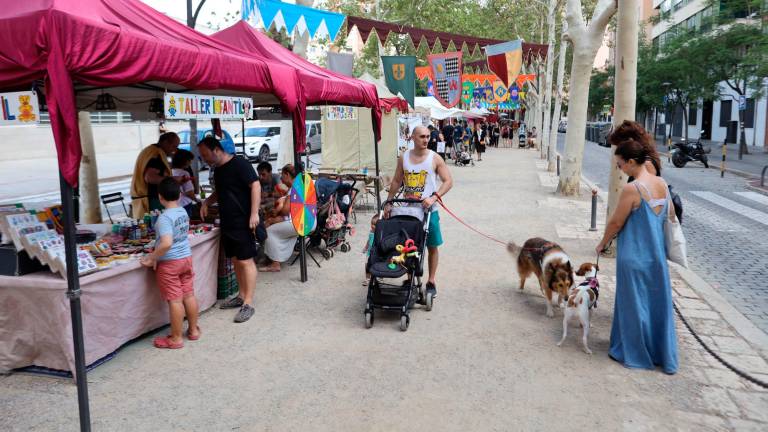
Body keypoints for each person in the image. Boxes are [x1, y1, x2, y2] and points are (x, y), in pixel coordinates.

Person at [595, 120, 678, 375]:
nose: (619, 168)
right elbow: (670, 216)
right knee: (655, 304)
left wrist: (602, 243)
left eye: (620, 163)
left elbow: (617, 221)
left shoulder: (633, 188)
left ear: (631, 160)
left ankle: (633, 350)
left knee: (633, 305)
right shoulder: (662, 184)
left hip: (633, 253)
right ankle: (659, 352)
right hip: (656, 255)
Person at [385, 125, 453, 299]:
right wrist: (388, 202)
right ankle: (410, 278)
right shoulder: (404, 157)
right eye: (422, 136)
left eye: (428, 136)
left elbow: (448, 181)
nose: (426, 140)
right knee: (408, 246)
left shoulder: (435, 158)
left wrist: (434, 197)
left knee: (432, 246)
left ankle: (431, 281)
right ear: (413, 138)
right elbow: (396, 180)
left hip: (429, 211)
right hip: (408, 211)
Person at [198, 137, 261, 323]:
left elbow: (255, 185)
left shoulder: (240, 163)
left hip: (244, 221)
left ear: (216, 149)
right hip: (227, 222)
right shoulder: (218, 170)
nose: (204, 159)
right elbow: (220, 191)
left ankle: (248, 303)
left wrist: (254, 213)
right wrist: (207, 202)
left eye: (205, 155)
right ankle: (241, 295)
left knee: (246, 261)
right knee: (235, 260)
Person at [140, 178, 199, 349]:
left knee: (175, 300)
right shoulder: (182, 212)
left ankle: (176, 338)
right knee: (188, 294)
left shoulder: (164, 218)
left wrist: (152, 257)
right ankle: (193, 330)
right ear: (180, 195)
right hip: (186, 259)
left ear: (160, 197)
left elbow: (166, 243)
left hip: (170, 263)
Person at [259, 165, 299, 272]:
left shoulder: (294, 187)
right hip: (301, 222)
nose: (281, 178)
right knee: (269, 223)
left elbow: (286, 210)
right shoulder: (298, 186)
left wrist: (275, 213)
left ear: (287, 174)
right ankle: (271, 257)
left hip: (295, 223)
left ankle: (275, 264)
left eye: (282, 175)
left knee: (268, 230)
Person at [130, 132, 180, 218]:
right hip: (151, 201)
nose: (175, 150)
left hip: (144, 200)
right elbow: (150, 177)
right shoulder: (156, 154)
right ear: (165, 143)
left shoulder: (149, 150)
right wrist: (172, 180)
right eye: (174, 146)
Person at [171, 149, 199, 219]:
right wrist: (196, 200)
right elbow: (189, 192)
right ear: (183, 161)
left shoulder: (170, 172)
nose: (190, 163)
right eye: (189, 160)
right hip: (185, 205)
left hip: (175, 205)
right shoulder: (184, 173)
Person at [362, 213, 380, 286]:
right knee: (367, 265)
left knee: (377, 265)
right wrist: (365, 247)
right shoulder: (371, 232)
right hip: (369, 253)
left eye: (375, 225)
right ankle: (367, 278)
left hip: (376, 254)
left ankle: (378, 277)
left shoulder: (379, 234)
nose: (372, 226)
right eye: (372, 224)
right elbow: (369, 240)